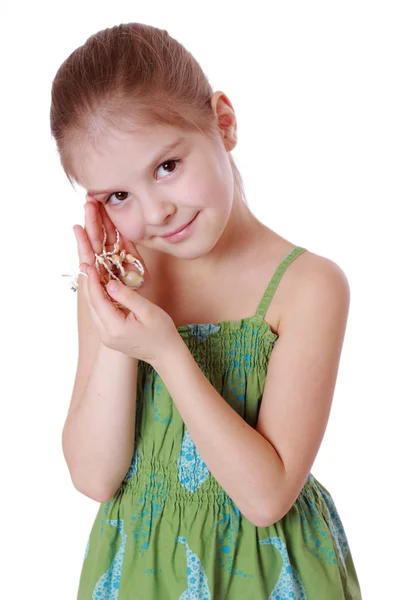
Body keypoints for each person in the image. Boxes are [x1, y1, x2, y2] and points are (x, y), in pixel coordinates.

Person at [50, 22, 363, 599]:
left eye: (167, 166)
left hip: (269, 573)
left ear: (222, 122)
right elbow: (96, 476)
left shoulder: (308, 286)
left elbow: (266, 497)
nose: (157, 211)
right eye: (118, 196)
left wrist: (167, 351)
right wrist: (122, 317)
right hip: (140, 572)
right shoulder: (120, 281)